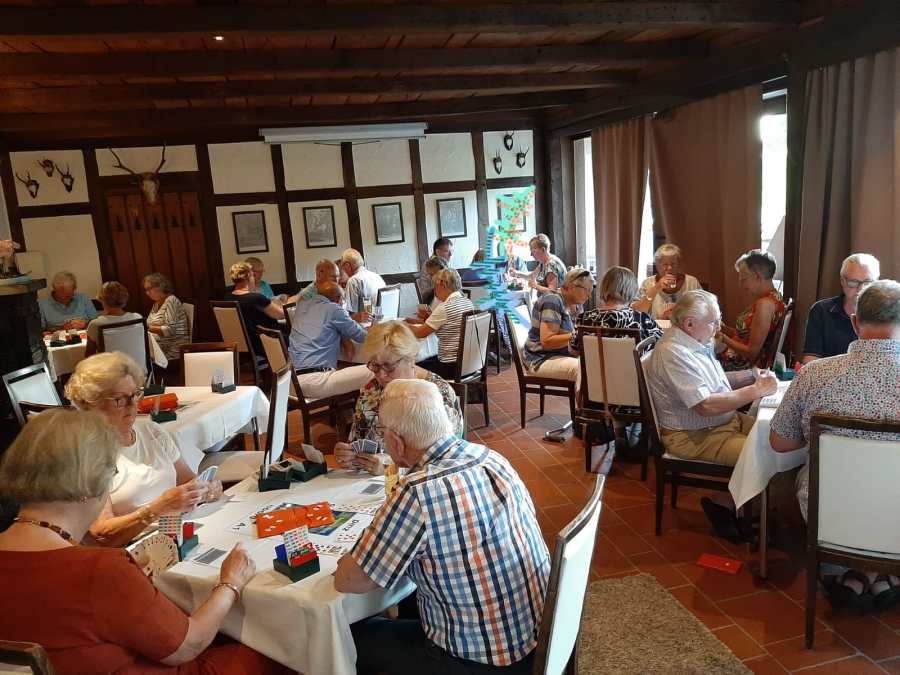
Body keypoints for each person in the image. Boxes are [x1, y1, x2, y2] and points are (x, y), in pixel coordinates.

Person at [0, 408, 291, 675]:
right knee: (280, 642)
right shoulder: (100, 570)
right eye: (111, 473)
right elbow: (190, 644)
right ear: (88, 485)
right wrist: (230, 584)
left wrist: (128, 586)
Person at [334, 379, 549, 675]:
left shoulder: (417, 491)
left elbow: (350, 581)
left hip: (477, 662)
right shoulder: (491, 458)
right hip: (537, 642)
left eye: (383, 434)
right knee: (410, 602)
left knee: (348, 637)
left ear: (396, 441)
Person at [770, 279, 900, 520]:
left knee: (790, 477)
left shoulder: (813, 374)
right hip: (894, 518)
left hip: (826, 514)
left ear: (854, 322)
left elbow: (780, 442)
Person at [65, 352, 222, 547]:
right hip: (133, 551)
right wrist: (159, 508)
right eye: (120, 399)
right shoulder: (87, 455)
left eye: (135, 395)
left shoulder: (151, 431)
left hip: (174, 534)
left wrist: (207, 489)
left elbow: (187, 480)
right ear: (92, 405)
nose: (133, 406)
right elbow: (102, 534)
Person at [646, 290, 778, 467]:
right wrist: (757, 390)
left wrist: (752, 376)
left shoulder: (697, 339)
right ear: (689, 324)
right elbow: (705, 405)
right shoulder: (673, 352)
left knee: (783, 438)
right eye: (714, 322)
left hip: (723, 423)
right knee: (771, 456)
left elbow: (715, 381)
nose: (719, 328)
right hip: (695, 437)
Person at [333, 321, 464, 474]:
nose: (381, 375)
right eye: (375, 366)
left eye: (389, 366)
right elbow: (356, 443)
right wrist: (348, 455)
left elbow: (447, 463)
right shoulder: (370, 391)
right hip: (368, 481)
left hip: (420, 482)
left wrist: (390, 469)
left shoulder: (438, 395)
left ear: (411, 360)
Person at [288, 281, 372, 399]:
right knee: (376, 370)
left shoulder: (301, 307)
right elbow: (362, 336)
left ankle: (351, 408)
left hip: (292, 382)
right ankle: (368, 409)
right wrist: (375, 330)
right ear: (338, 299)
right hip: (317, 381)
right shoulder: (334, 309)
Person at [802, 252, 880, 363]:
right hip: (828, 373)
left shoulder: (886, 315)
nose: (861, 289)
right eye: (853, 282)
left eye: (868, 282)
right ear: (842, 281)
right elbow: (810, 359)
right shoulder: (821, 310)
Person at [570, 266, 662, 356]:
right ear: (632, 290)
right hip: (629, 367)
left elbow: (573, 351)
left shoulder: (584, 318)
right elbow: (660, 345)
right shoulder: (641, 319)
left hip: (593, 367)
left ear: (604, 287)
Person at [717, 249, 786, 371]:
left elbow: (752, 353)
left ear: (758, 277)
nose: (741, 285)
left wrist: (723, 338)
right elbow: (745, 336)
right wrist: (723, 328)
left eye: (743, 279)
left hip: (742, 366)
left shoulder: (765, 305)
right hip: (736, 358)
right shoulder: (774, 298)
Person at [523, 267, 594, 383]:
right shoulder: (552, 301)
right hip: (540, 358)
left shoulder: (575, 305)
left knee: (596, 363)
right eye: (587, 290)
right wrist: (580, 334)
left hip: (559, 354)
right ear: (572, 287)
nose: (589, 295)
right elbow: (547, 341)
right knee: (584, 369)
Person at [405, 268, 474, 379]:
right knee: (427, 359)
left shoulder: (445, 307)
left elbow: (419, 333)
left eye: (435, 286)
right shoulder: (468, 302)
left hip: (451, 367)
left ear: (443, 284)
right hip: (470, 364)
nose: (434, 291)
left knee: (410, 367)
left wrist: (403, 325)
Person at [226, 261, 284, 358]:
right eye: (253, 275)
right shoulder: (255, 298)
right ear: (249, 277)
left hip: (239, 343)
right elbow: (280, 315)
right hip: (264, 342)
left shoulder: (227, 297)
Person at [632, 244, 702, 320]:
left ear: (679, 265)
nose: (669, 268)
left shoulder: (691, 282)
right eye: (665, 264)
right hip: (656, 326)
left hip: (684, 326)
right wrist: (656, 287)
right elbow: (636, 312)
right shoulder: (648, 283)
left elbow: (702, 309)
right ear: (658, 266)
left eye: (673, 264)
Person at [84, 281, 143, 357]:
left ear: (102, 300)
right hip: (138, 364)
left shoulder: (96, 324)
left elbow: (89, 355)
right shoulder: (138, 317)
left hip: (112, 365)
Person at [143, 272, 190, 362]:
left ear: (160, 286)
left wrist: (147, 328)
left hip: (172, 351)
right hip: (160, 349)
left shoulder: (171, 301)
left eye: (149, 289)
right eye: (146, 290)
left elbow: (170, 330)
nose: (147, 293)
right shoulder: (156, 304)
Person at [341, 248, 385, 319]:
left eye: (343, 267)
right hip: (382, 319)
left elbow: (350, 314)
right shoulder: (377, 276)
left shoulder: (353, 280)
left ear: (347, 265)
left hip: (366, 322)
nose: (344, 271)